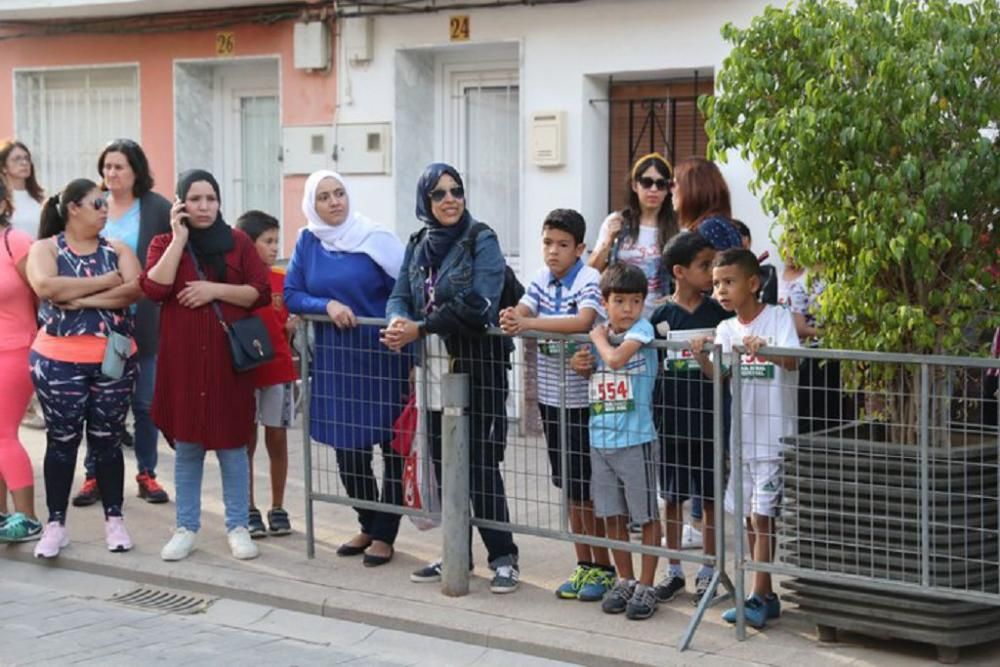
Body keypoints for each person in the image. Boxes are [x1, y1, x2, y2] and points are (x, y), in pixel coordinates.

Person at [382, 162, 520, 593]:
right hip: (434, 368)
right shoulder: (418, 243)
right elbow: (400, 295)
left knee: (479, 464)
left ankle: (503, 558)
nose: (449, 200)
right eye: (438, 193)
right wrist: (396, 324)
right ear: (425, 202)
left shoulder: (482, 239)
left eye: (456, 190)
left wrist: (420, 327)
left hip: (479, 366)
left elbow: (480, 303)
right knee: (444, 466)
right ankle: (456, 552)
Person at [141, 169, 270, 562]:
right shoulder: (165, 242)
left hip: (227, 364)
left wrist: (214, 289)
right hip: (182, 364)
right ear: (180, 202)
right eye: (194, 199)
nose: (203, 206)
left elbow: (259, 291)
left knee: (232, 446)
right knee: (188, 447)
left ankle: (237, 527)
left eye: (210, 198)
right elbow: (154, 287)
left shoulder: (238, 242)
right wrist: (179, 240)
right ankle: (186, 528)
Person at [285, 170, 408, 566]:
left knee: (392, 446)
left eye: (339, 193)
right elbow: (292, 293)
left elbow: (406, 292)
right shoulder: (308, 240)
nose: (335, 202)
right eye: (324, 197)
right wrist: (327, 306)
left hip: (383, 354)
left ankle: (385, 534)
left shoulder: (375, 238)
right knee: (347, 446)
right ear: (312, 204)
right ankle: (368, 522)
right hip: (338, 360)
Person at [499, 208, 615, 601]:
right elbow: (524, 308)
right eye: (548, 243)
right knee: (568, 486)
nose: (553, 252)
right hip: (551, 399)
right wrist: (513, 316)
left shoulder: (589, 279)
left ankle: (605, 567)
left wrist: (529, 325)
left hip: (585, 401)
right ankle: (584, 564)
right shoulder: (539, 278)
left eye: (563, 245)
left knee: (589, 488)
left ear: (580, 248)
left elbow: (582, 321)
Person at [25, 178, 144, 558]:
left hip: (112, 360)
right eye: (97, 203)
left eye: (106, 203)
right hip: (58, 361)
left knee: (108, 441)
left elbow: (135, 288)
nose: (105, 209)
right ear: (73, 208)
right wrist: (104, 284)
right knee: (62, 441)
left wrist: (80, 296)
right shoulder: (45, 248)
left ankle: (115, 520)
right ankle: (55, 524)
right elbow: (46, 286)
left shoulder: (118, 248)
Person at [691, 248, 800, 629]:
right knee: (751, 519)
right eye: (717, 283)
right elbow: (718, 375)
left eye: (729, 282)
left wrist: (766, 350)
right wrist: (702, 356)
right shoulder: (725, 328)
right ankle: (765, 595)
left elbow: (793, 361)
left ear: (753, 284)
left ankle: (755, 594)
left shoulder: (778, 317)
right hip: (742, 438)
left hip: (774, 436)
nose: (720, 290)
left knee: (763, 514)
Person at [73, 139, 172, 508]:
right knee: (99, 404)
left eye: (120, 167)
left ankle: (147, 473)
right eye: (107, 166)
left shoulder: (157, 208)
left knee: (145, 405)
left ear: (136, 171)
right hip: (97, 323)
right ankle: (94, 474)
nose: (112, 174)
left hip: (144, 323)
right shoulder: (90, 204)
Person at [569, 263, 662, 620]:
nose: (627, 309)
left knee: (646, 514)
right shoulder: (604, 334)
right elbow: (590, 367)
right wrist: (581, 362)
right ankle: (624, 578)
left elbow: (616, 359)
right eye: (619, 301)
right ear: (604, 302)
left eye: (635, 301)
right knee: (611, 513)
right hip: (600, 438)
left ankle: (647, 585)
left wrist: (595, 340)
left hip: (636, 438)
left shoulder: (641, 329)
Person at [650, 232, 731, 605]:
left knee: (710, 497)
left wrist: (703, 356)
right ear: (680, 272)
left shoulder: (720, 315)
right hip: (672, 419)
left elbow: (724, 371)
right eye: (704, 265)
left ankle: (709, 570)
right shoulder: (661, 316)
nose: (712, 271)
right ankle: (674, 571)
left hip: (710, 420)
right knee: (672, 497)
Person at [236, 211, 297, 539]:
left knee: (277, 437)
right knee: (246, 439)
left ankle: (278, 506)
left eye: (276, 241)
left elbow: (286, 321)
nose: (275, 248)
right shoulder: (234, 280)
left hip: (278, 368)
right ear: (248, 242)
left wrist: (289, 327)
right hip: (245, 370)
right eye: (268, 241)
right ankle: (247, 506)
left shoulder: (280, 280)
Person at [0, 178, 42, 543]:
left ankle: (27, 518)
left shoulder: (14, 241)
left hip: (15, 349)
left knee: (2, 432)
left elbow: (43, 290)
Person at [588, 153, 677, 317]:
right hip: (617, 317)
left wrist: (673, 298)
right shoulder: (617, 221)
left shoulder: (677, 228)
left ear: (668, 189)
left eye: (661, 184)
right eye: (647, 182)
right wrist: (608, 240)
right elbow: (592, 270)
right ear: (635, 185)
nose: (653, 189)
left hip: (658, 317)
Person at [672, 157, 743, 252]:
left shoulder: (709, 228)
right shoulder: (719, 224)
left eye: (674, 184)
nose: (671, 190)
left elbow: (720, 265)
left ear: (693, 188)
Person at [0, 139, 44, 239]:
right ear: (4, 167)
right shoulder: (2, 199)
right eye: (16, 159)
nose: (24, 163)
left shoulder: (40, 199)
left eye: (27, 158)